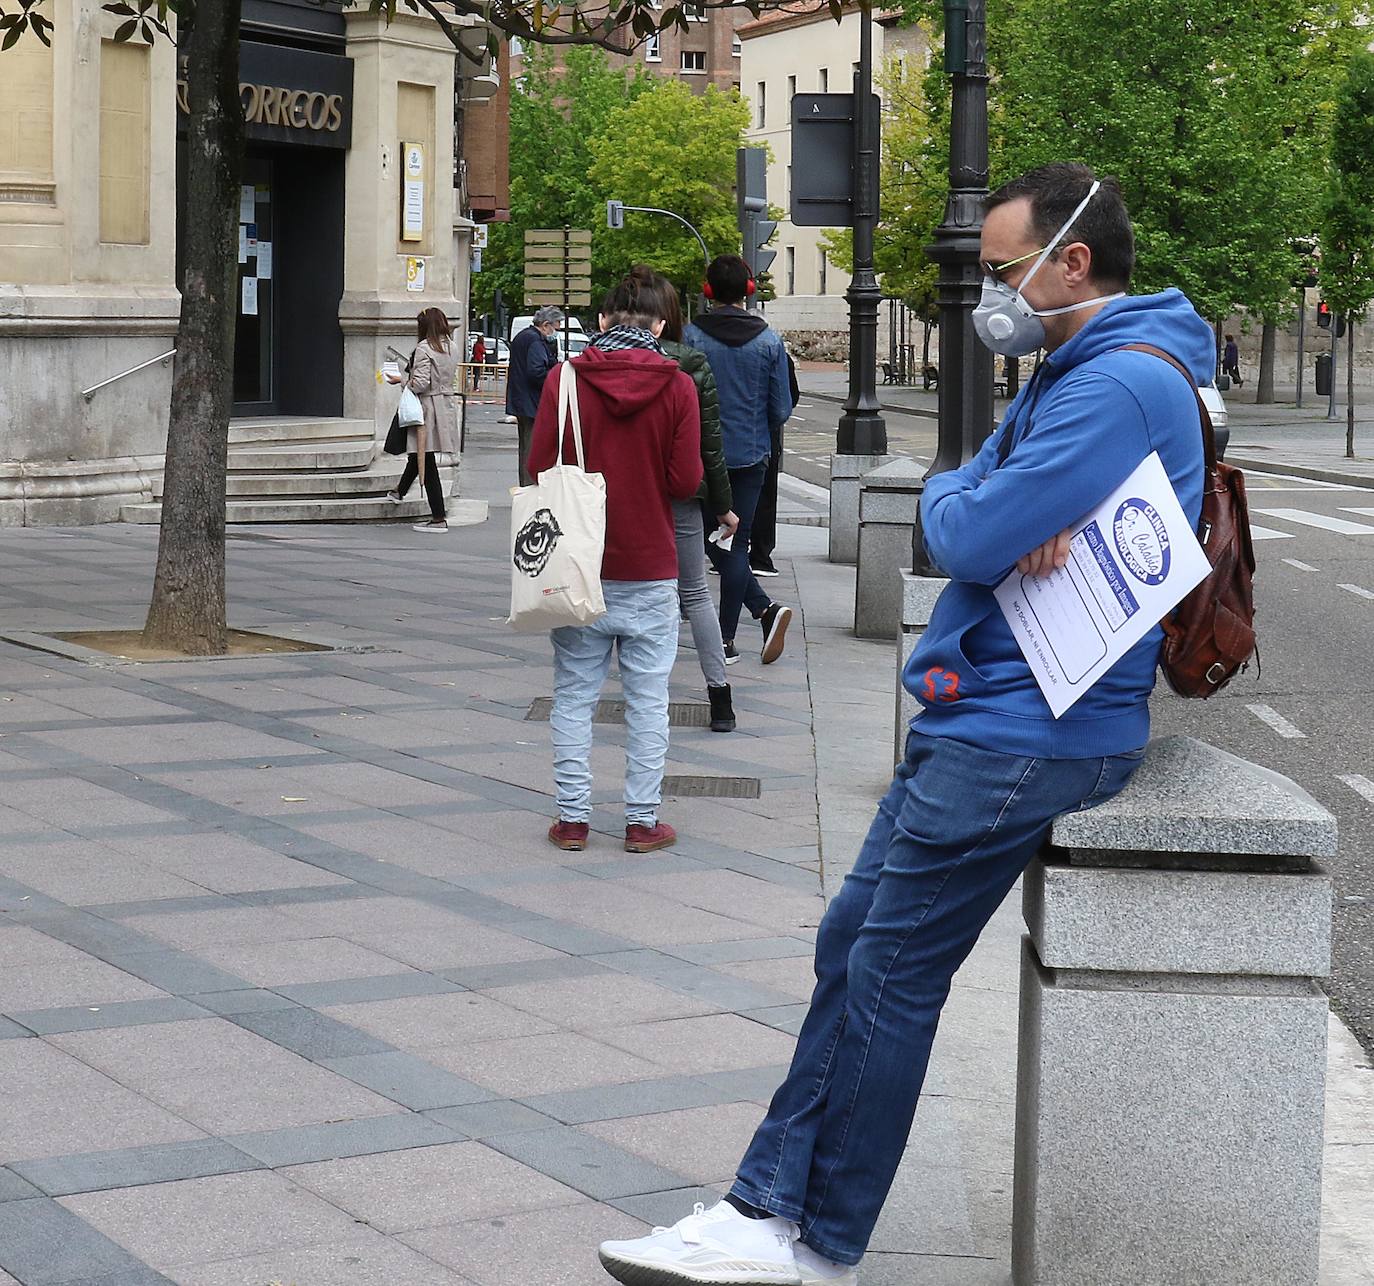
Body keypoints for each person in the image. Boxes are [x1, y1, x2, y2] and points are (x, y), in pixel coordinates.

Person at [596, 163, 1209, 1286]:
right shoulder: (1075, 367)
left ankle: (810, 1236)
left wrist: (976, 508)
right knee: (854, 947)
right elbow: (955, 493)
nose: (992, 295)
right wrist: (972, 503)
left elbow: (967, 534)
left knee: (886, 972)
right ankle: (763, 1208)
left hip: (1027, 731)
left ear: (1074, 263)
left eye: (1005, 269)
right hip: (998, 715)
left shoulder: (1111, 387)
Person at [528, 273, 703, 855]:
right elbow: (685, 482)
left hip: (576, 567)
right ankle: (641, 820)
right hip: (651, 566)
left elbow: (537, 468)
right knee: (649, 700)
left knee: (574, 695)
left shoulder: (565, 380)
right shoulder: (679, 388)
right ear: (660, 327)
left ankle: (573, 819)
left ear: (602, 322)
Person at [630, 266, 740, 733]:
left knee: (629, 590)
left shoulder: (600, 364)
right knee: (694, 592)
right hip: (680, 496)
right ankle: (719, 697)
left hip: (624, 496)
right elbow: (709, 445)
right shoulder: (691, 365)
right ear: (668, 317)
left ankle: (643, 691)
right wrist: (723, 505)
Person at [684, 255, 796, 666]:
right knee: (736, 543)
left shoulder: (692, 338)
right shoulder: (769, 340)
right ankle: (737, 630)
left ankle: (741, 629)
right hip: (750, 458)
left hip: (698, 457)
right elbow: (781, 408)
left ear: (707, 290)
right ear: (749, 290)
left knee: (705, 539)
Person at [385, 308, 459, 534]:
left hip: (426, 408)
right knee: (421, 453)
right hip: (444, 406)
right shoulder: (451, 346)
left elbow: (420, 383)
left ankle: (438, 517)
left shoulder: (425, 348)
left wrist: (402, 380)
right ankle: (399, 490)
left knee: (425, 458)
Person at [749, 349, 800, 579]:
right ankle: (760, 557)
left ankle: (725, 554)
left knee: (727, 494)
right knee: (765, 496)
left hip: (725, 433)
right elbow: (789, 399)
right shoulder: (776, 353)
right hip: (765, 433)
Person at [508, 306, 562, 486]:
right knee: (532, 449)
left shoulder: (523, 337)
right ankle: (529, 488)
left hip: (521, 401)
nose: (557, 331)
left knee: (525, 448)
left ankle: (525, 485)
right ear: (546, 325)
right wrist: (555, 375)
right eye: (556, 326)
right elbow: (536, 373)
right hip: (532, 402)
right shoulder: (536, 342)